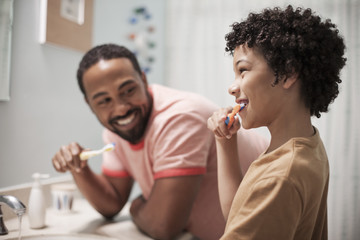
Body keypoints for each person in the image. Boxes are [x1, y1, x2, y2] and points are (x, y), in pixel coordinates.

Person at [51, 44, 268, 240]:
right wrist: (79, 169)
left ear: (143, 80)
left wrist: (136, 206)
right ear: (89, 103)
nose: (121, 108)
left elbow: (163, 226)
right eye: (104, 101)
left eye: (128, 91)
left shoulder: (180, 117)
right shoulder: (117, 129)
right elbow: (113, 202)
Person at [207, 5, 346, 240]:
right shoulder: (307, 145)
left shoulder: (281, 177)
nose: (232, 87)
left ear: (288, 73)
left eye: (243, 70)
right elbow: (238, 216)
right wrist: (225, 142)